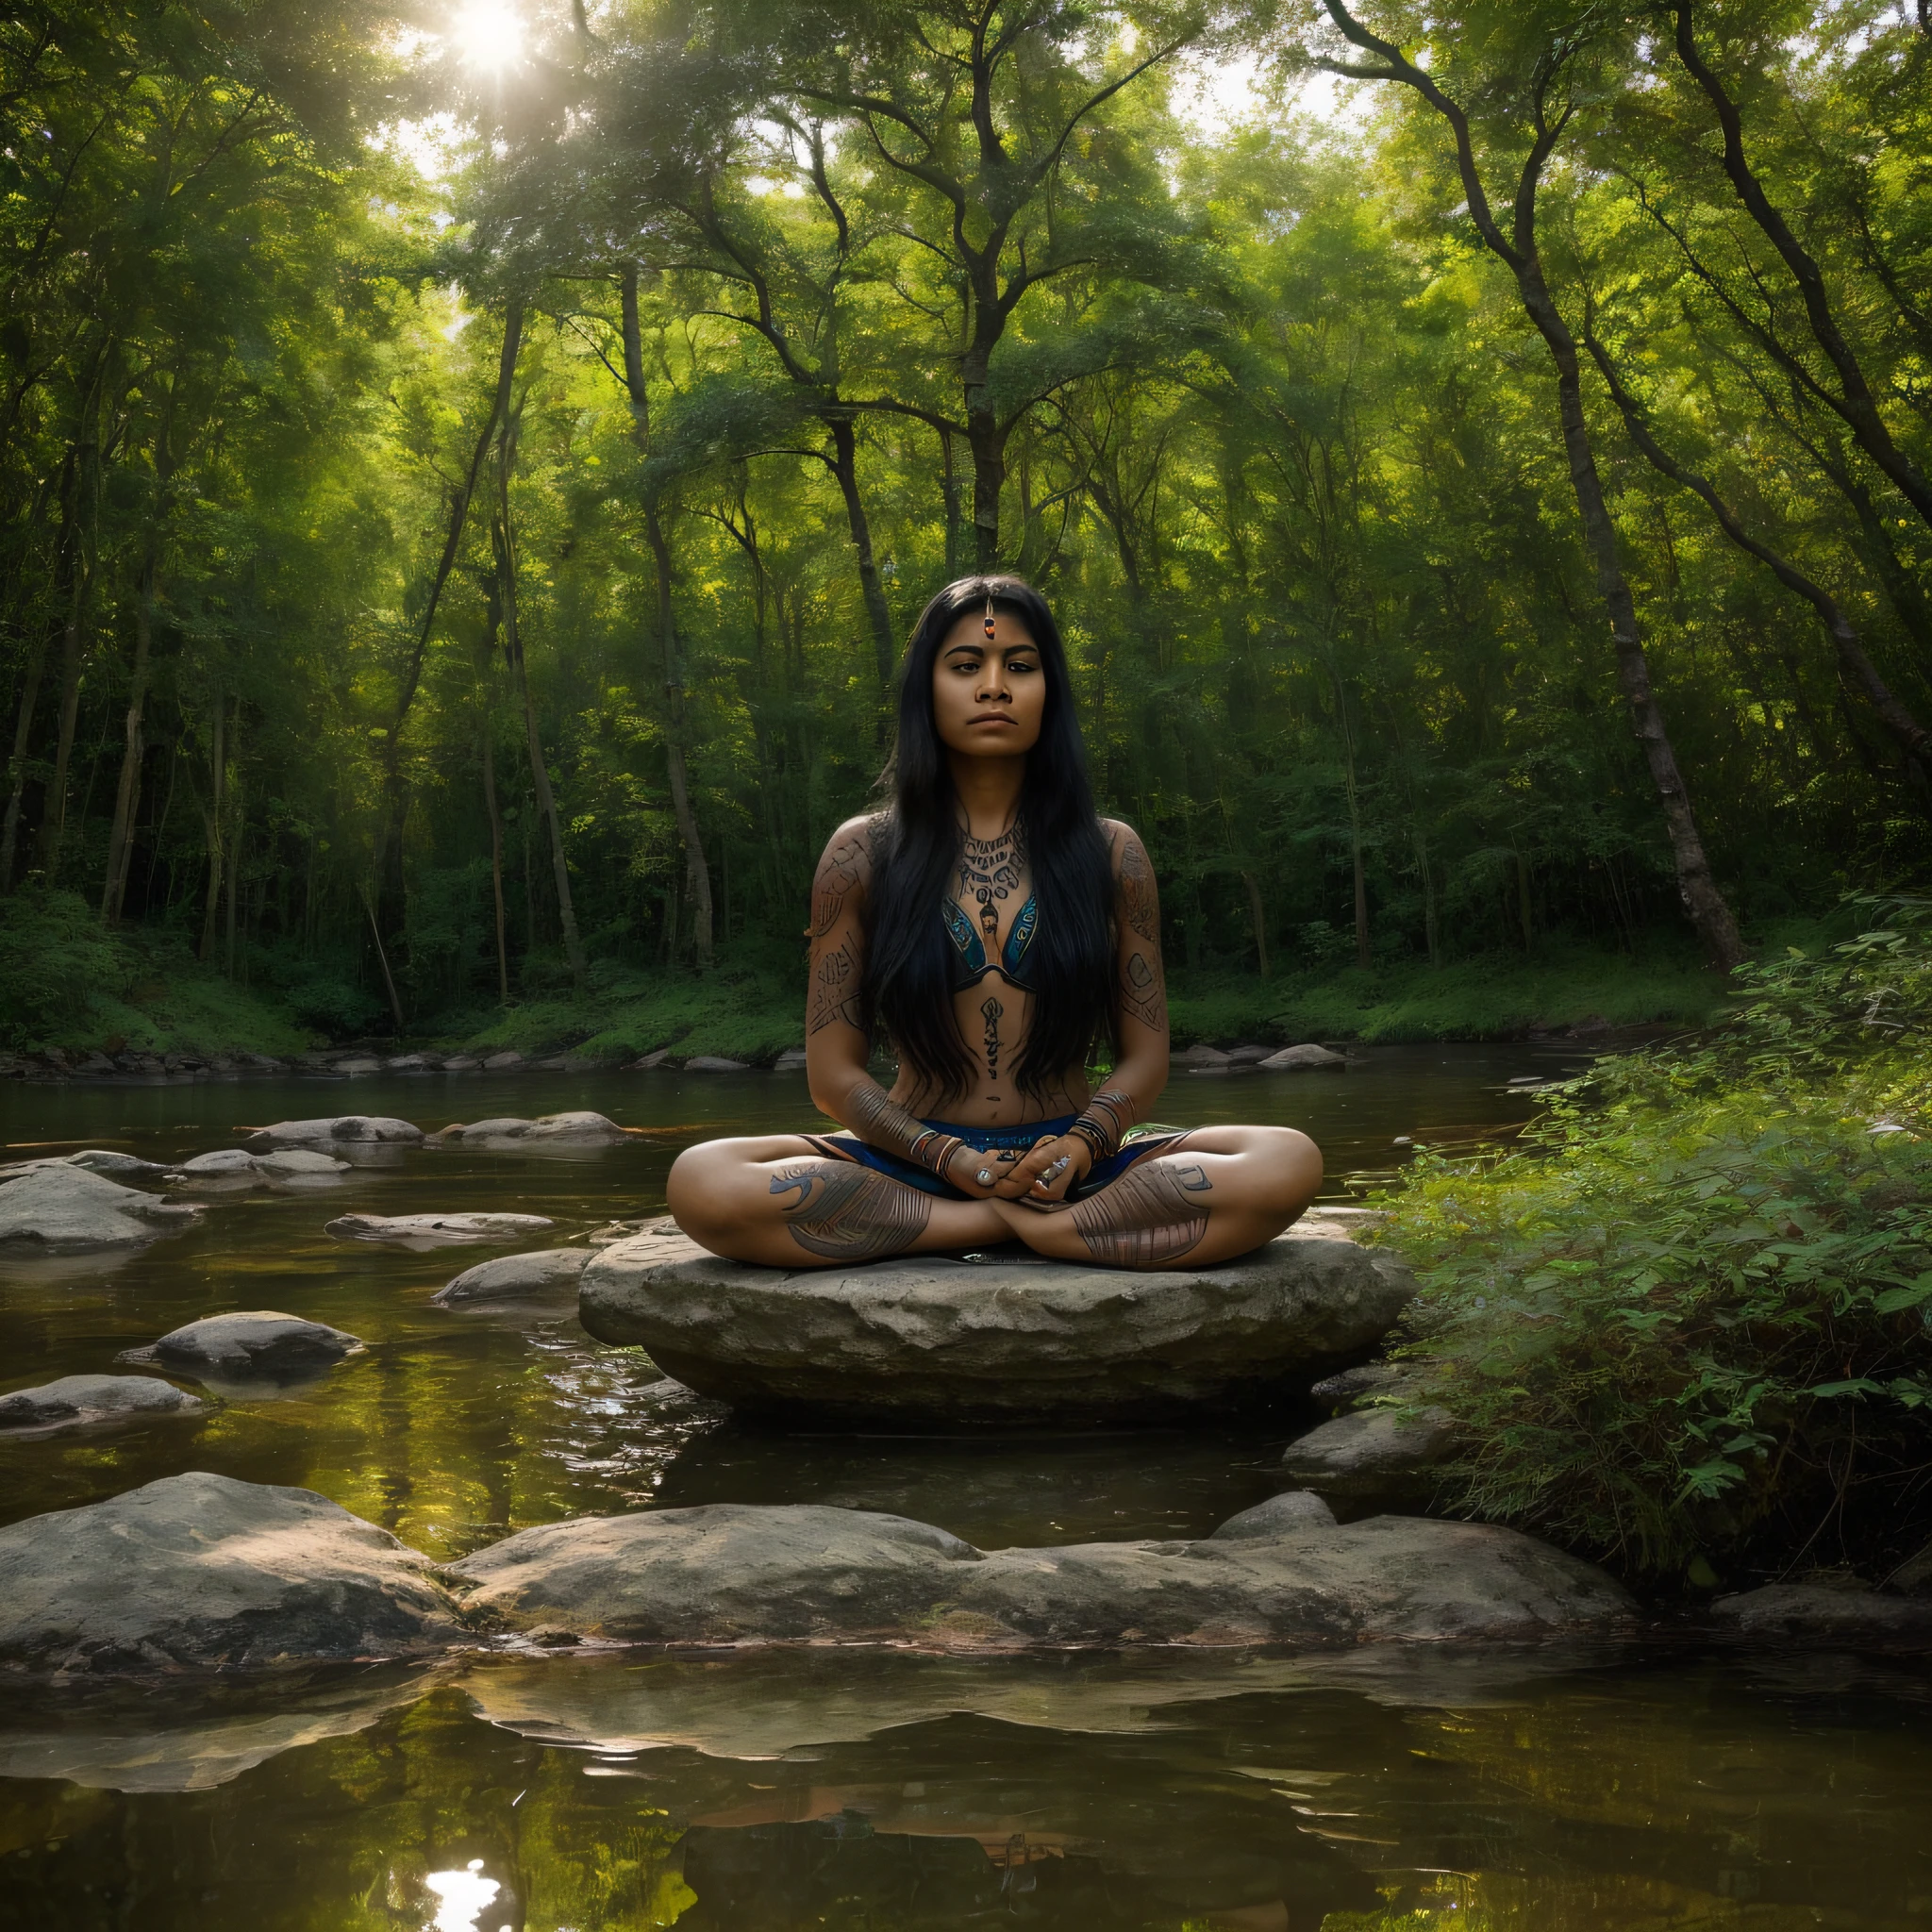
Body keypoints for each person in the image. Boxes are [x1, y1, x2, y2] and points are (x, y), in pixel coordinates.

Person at [668, 574, 1324, 1270]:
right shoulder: (861, 854)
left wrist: (1080, 1146)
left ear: (1050, 692)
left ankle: (1013, 1221)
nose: (993, 686)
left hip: (1075, 1159)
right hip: (912, 1163)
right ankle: (1017, 1228)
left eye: (1019, 666)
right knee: (701, 1181)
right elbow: (832, 1080)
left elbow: (1146, 1059)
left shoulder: (1111, 852)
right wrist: (951, 1160)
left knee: (1287, 1158)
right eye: (964, 666)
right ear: (928, 691)